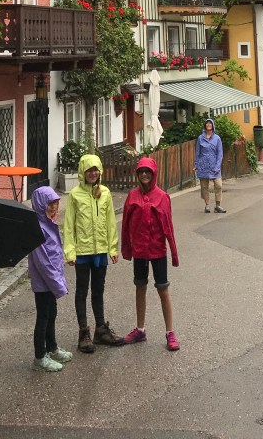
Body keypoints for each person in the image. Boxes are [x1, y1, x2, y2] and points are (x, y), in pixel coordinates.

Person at [62, 152, 124, 352]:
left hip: (100, 252)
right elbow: (69, 225)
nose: (93, 173)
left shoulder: (105, 193)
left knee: (98, 291)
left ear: (100, 171)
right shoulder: (75, 195)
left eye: (96, 169)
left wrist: (112, 247)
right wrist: (70, 251)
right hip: (82, 252)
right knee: (82, 292)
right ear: (82, 172)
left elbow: (110, 222)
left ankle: (101, 330)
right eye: (89, 170)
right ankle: (84, 333)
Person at [121, 155, 180, 351]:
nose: (144, 175)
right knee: (140, 287)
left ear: (153, 173)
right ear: (137, 174)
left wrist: (174, 254)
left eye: (148, 171)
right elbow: (126, 226)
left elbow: (169, 227)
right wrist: (127, 249)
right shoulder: (132, 196)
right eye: (141, 172)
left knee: (163, 289)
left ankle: (170, 332)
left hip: (157, 251)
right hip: (139, 251)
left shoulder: (162, 197)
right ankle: (140, 329)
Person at [28, 185, 73, 372]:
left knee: (51, 314)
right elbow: (43, 263)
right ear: (40, 205)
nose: (54, 207)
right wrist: (57, 284)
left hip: (51, 282)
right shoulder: (38, 229)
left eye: (56, 203)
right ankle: (40, 356)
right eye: (50, 204)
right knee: (43, 317)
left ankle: (52, 347)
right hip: (44, 283)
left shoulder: (48, 223)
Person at [195, 117, 225, 213]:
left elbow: (220, 154)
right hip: (203, 165)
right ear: (205, 126)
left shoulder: (217, 138)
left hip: (214, 165)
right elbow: (197, 153)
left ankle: (218, 205)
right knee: (204, 186)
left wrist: (217, 166)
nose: (208, 125)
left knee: (218, 185)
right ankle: (207, 205)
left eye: (210, 123)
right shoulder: (200, 138)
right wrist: (196, 164)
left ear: (213, 126)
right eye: (207, 123)